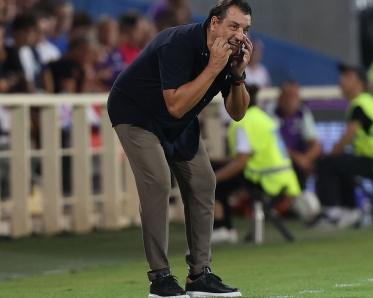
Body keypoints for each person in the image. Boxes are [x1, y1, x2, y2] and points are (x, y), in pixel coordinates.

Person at [107, 0, 253, 297]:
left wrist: (237, 75)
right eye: (234, 26)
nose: (240, 35)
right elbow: (174, 105)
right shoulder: (177, 43)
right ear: (214, 24)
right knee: (158, 182)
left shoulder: (228, 54)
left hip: (179, 122)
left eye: (246, 29)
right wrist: (214, 68)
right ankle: (160, 279)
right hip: (138, 114)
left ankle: (199, 276)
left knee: (203, 181)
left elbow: (237, 113)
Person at [310, 63, 373, 229]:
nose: (341, 80)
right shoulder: (368, 103)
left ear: (360, 83)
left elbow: (345, 140)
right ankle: (350, 211)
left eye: (348, 76)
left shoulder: (361, 105)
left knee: (327, 163)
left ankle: (332, 213)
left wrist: (325, 157)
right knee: (343, 163)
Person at [211, 84, 301, 243]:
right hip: (283, 177)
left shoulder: (243, 122)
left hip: (265, 179)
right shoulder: (262, 117)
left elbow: (240, 163)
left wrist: (212, 179)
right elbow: (246, 156)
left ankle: (221, 227)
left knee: (213, 176)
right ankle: (225, 228)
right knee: (217, 169)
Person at [264, 80, 321, 190]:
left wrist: (304, 160)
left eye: (294, 96)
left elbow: (315, 145)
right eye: (287, 96)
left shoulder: (303, 113)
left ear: (299, 99)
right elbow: (273, 145)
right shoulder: (270, 113)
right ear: (279, 98)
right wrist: (296, 158)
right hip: (276, 164)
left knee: (323, 164)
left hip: (298, 164)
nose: (291, 101)